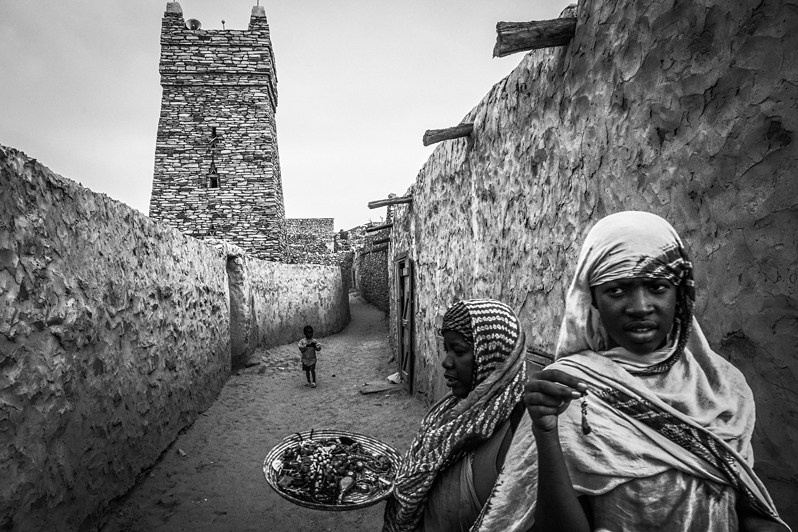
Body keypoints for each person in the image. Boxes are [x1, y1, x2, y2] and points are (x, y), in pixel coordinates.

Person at [523, 211, 789, 531]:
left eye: (657, 287)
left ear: (680, 294)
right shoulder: (566, 392)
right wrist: (547, 434)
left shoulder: (724, 387)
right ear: (591, 298)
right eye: (617, 290)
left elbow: (742, 510)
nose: (639, 307)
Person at [383, 299, 528, 532]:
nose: (446, 361)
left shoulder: (516, 439)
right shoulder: (453, 411)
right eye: (446, 349)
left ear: (493, 355)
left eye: (459, 351)